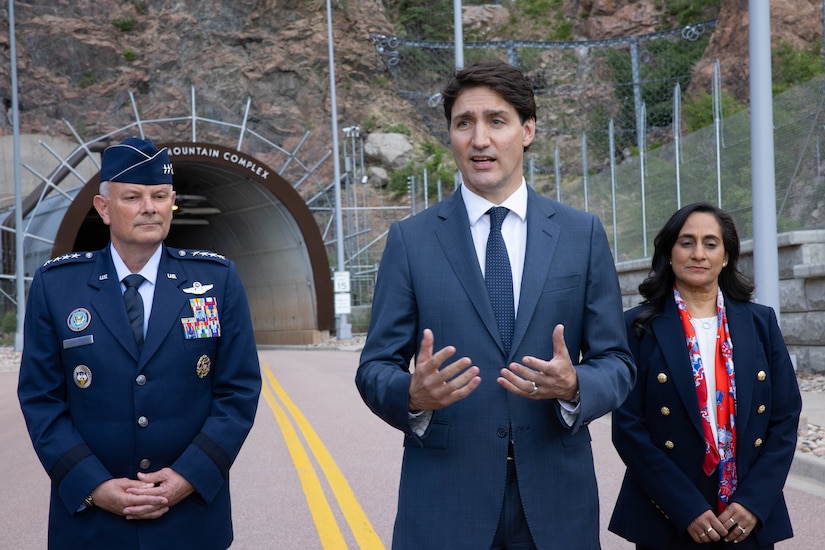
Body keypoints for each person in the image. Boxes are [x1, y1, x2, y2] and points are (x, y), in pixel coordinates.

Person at [355, 59, 636, 549]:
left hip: (555, 503)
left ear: (527, 130)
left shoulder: (580, 235)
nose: (479, 139)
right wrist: (412, 395)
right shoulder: (411, 241)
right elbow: (374, 366)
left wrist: (574, 385)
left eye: (496, 121)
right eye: (464, 123)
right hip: (445, 499)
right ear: (451, 135)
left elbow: (617, 362)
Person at [17, 137, 262, 550]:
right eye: (133, 196)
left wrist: (189, 476)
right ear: (104, 208)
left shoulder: (216, 281)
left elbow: (238, 392)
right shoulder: (57, 286)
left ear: (172, 203)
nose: (150, 207)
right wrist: (93, 484)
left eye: (160, 196)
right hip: (91, 522)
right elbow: (41, 399)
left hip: (190, 519)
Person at [609, 202, 802, 549]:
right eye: (687, 242)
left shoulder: (760, 323)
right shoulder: (637, 327)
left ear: (726, 256)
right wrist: (686, 508)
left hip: (745, 517)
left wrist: (753, 503)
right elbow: (628, 429)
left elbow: (785, 416)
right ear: (669, 252)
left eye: (710, 243)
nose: (698, 253)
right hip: (668, 515)